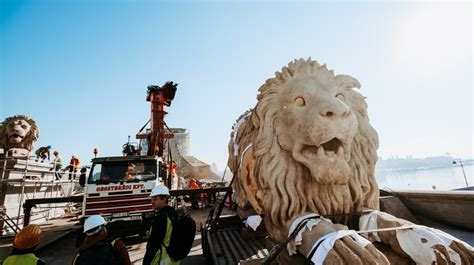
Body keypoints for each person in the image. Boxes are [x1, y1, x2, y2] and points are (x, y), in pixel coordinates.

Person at [143, 185, 179, 265]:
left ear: (164, 199)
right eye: (151, 199)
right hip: (174, 261)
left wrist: (146, 262)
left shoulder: (161, 217)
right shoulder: (173, 214)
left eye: (155, 199)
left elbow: (153, 245)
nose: (152, 201)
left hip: (162, 261)